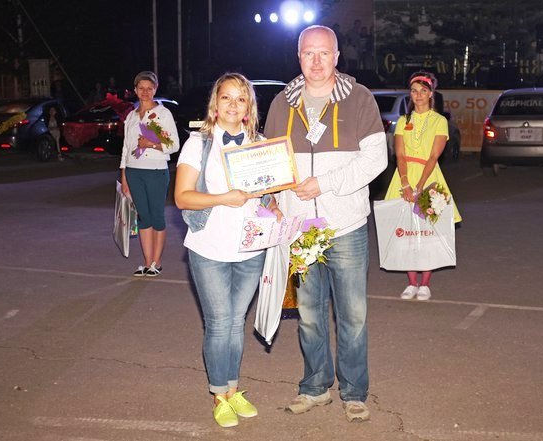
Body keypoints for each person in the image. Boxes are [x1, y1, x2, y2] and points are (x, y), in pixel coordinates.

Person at [264, 25, 387, 422]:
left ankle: (354, 392)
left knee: (353, 316)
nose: (316, 61)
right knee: (309, 315)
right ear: (298, 57)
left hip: (345, 226)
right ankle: (315, 387)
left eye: (323, 53)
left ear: (336, 56)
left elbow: (376, 159)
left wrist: (326, 183)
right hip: (300, 229)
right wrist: (273, 200)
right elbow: (269, 161)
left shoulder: (360, 98)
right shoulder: (282, 102)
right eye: (308, 53)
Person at [174, 73, 281, 428]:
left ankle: (233, 390)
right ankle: (219, 395)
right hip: (209, 248)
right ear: (215, 104)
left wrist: (274, 208)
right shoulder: (198, 144)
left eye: (241, 99)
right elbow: (182, 197)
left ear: (249, 106)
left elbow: (267, 194)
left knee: (236, 323)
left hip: (250, 250)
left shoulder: (260, 144)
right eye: (226, 98)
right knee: (220, 324)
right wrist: (223, 198)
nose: (233, 105)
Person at [383, 71, 462, 301]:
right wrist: (405, 183)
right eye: (414, 91)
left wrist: (419, 186)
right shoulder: (403, 121)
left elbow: (434, 156)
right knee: (405, 231)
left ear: (430, 94)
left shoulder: (439, 121)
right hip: (404, 178)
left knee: (429, 232)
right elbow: (400, 154)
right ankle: (411, 282)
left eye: (423, 91)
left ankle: (425, 283)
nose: (418, 95)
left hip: (429, 178)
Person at [119, 71, 180, 277]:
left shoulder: (163, 114)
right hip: (134, 171)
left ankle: (157, 262)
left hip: (156, 171)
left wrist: (151, 144)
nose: (145, 92)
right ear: (135, 90)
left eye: (149, 88)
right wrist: (124, 176)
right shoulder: (131, 116)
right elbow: (126, 148)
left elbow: (174, 145)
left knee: (157, 217)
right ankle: (147, 262)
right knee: (143, 218)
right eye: (141, 88)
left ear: (155, 90)